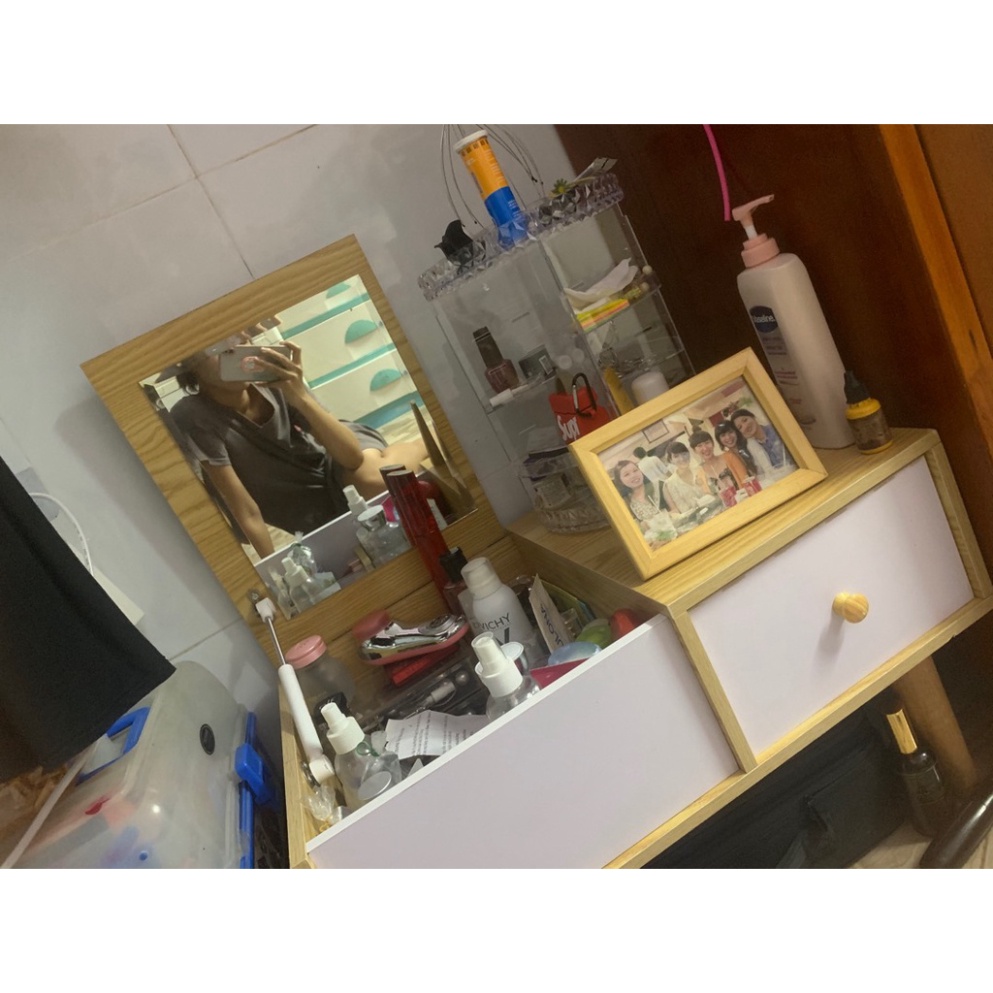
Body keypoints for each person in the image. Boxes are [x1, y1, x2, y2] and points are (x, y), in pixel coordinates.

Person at [171, 337, 428, 558]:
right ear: (190, 364)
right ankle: (410, 451)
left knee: (376, 481)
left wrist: (299, 395)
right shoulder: (194, 415)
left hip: (336, 458)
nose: (233, 352)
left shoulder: (274, 380)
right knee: (357, 520)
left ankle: (428, 440)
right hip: (307, 506)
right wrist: (275, 577)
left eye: (239, 341)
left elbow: (352, 458)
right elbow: (244, 509)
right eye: (216, 349)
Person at [731, 408, 796, 478]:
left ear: (753, 417)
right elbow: (762, 473)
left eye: (745, 420)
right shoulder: (752, 447)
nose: (745, 426)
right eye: (740, 427)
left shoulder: (776, 429)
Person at [689, 428, 751, 495]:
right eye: (699, 446)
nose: (705, 448)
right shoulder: (700, 474)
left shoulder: (730, 457)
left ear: (713, 443)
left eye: (707, 443)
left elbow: (747, 481)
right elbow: (709, 497)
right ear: (694, 450)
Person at [611, 459, 667, 529]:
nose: (633, 475)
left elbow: (676, 510)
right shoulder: (627, 503)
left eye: (635, 470)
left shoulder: (660, 485)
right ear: (620, 481)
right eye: (626, 474)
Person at [662, 440, 712, 514]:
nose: (682, 459)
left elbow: (713, 491)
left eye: (684, 454)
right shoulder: (670, 483)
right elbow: (682, 510)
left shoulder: (700, 470)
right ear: (671, 460)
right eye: (676, 456)